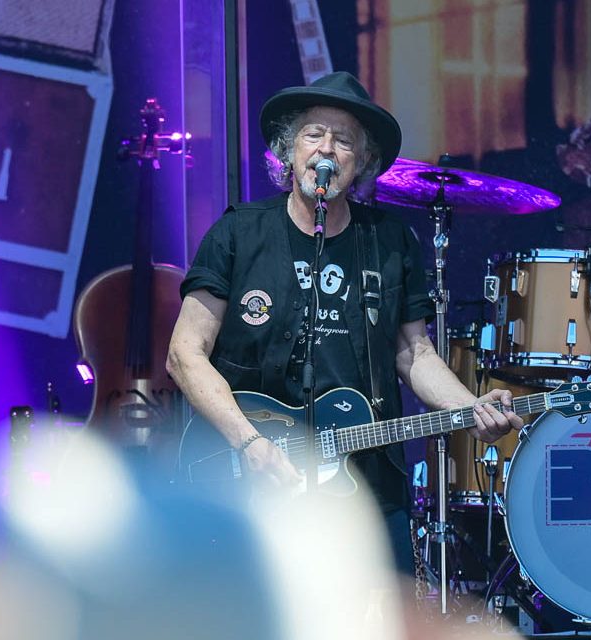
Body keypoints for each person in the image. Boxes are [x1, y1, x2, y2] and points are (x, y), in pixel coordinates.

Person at [166, 71, 523, 574]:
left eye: (344, 140)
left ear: (362, 163)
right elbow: (185, 354)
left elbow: (415, 353)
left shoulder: (390, 242)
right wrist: (249, 441)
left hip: (365, 477)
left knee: (384, 608)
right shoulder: (238, 233)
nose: (327, 149)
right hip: (252, 476)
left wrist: (470, 407)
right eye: (313, 134)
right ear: (289, 150)